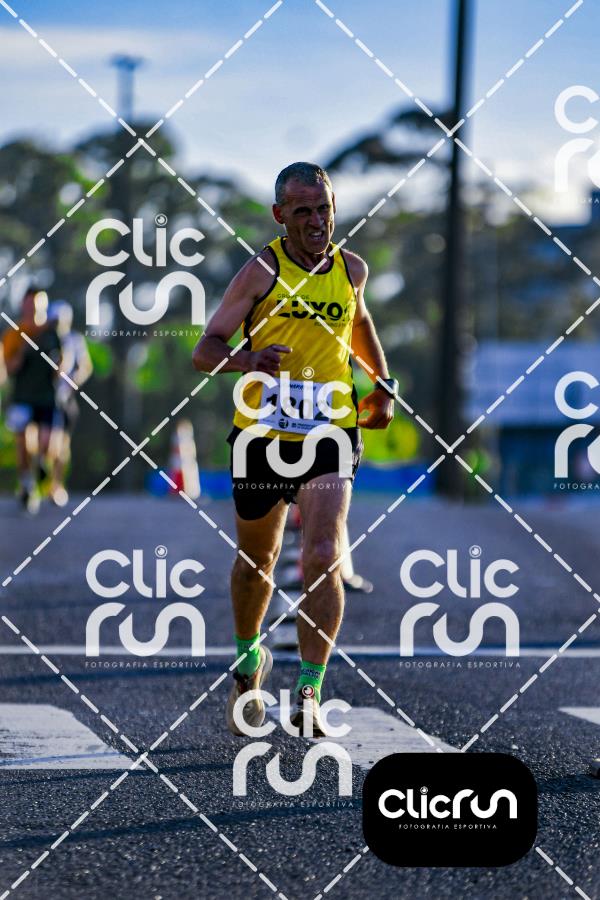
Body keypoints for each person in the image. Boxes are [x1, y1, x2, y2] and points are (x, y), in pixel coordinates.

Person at [192, 162, 396, 736]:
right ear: (280, 215)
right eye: (302, 211)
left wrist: (382, 385)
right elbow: (205, 350)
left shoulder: (351, 270)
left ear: (334, 209)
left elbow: (360, 325)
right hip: (262, 435)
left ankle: (310, 691)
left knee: (323, 553)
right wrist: (245, 360)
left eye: (323, 209)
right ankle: (248, 660)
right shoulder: (261, 272)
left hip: (330, 431)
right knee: (256, 562)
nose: (315, 221)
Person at [2, 288, 62, 513]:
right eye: (29, 304)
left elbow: (61, 363)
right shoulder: (14, 334)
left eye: (36, 304)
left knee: (46, 443)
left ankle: (41, 466)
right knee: (23, 442)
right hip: (22, 396)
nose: (32, 308)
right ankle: (26, 483)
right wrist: (23, 351)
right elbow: (9, 368)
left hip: (47, 396)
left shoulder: (52, 332)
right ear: (23, 305)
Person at [47, 301, 93, 507]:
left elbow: (85, 366)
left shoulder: (75, 340)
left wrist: (73, 381)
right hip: (46, 398)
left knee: (63, 445)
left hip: (66, 399)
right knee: (47, 443)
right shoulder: (45, 340)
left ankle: (56, 485)